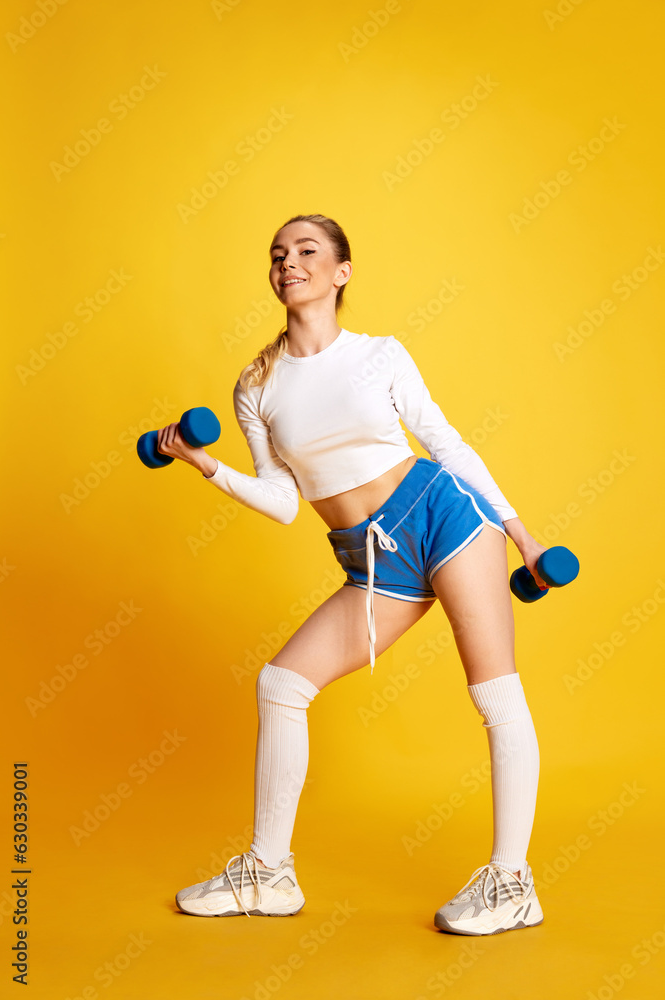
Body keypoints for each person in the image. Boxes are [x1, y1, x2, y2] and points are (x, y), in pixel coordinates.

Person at [160, 213, 548, 935]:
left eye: (307, 251)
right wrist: (205, 466)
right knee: (280, 684)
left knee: (493, 691)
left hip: (443, 516)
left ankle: (510, 882)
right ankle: (269, 874)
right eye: (277, 253)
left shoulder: (380, 354)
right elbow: (282, 503)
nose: (289, 262)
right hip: (369, 557)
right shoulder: (256, 383)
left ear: (340, 272)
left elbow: (443, 440)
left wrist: (519, 534)